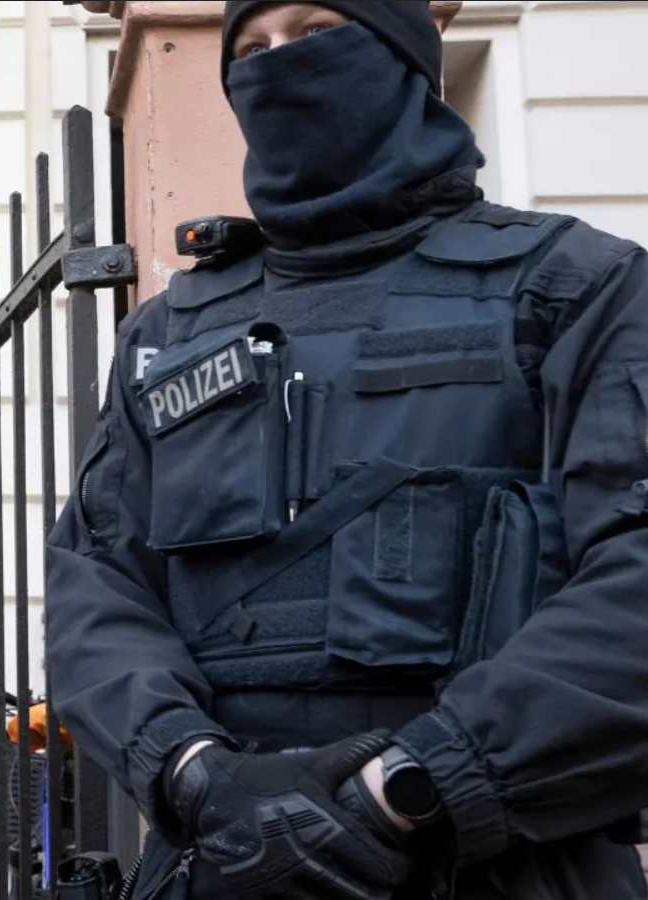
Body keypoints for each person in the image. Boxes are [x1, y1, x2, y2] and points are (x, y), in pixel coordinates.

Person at [44, 2, 648, 898]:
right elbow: (96, 588)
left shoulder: (575, 285)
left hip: (494, 860)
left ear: (404, 53)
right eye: (250, 48)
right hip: (228, 862)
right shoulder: (169, 331)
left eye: (316, 30)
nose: (276, 63)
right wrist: (196, 774)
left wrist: (410, 788)